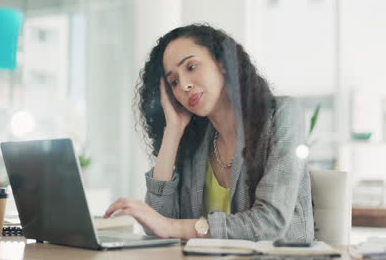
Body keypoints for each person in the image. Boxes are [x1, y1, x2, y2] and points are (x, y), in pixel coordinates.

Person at [104, 24, 314, 242]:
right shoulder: (196, 140)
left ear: (222, 63)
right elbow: (160, 225)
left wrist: (173, 227)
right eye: (173, 82)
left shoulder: (282, 114)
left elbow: (270, 223)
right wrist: (173, 131)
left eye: (191, 67)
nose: (184, 85)